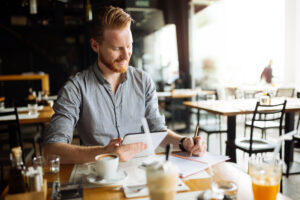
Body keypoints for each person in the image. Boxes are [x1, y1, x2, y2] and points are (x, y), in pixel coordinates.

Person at [44, 6, 207, 164]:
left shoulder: (144, 81)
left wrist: (184, 141)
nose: (126, 55)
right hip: (98, 174)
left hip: (141, 171)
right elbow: (51, 150)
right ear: (95, 46)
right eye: (116, 48)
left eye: (129, 46)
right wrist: (106, 152)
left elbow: (157, 131)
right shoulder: (75, 88)